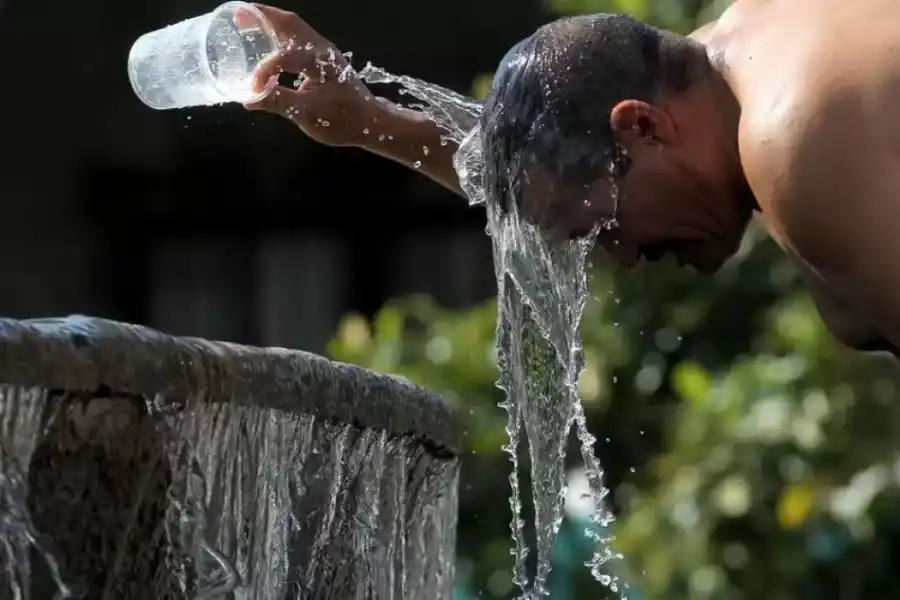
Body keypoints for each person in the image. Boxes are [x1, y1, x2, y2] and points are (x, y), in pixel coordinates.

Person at [242, 1, 900, 355]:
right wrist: (367, 119)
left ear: (643, 127)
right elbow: (546, 164)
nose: (627, 256)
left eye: (605, 226)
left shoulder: (798, 142)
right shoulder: (733, 57)